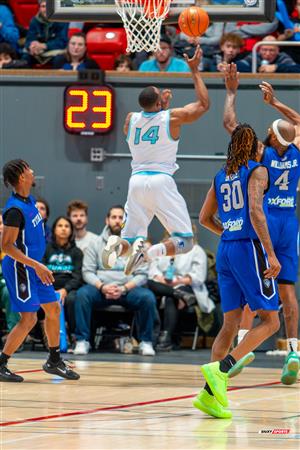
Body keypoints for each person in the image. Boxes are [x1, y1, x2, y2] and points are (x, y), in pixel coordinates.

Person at [194, 109, 281, 419]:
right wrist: (270, 254)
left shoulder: (220, 175)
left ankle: (209, 397)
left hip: (226, 249)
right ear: (252, 147)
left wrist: (228, 231)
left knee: (231, 324)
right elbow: (256, 212)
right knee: (271, 321)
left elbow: (204, 219)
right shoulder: (257, 171)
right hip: (249, 249)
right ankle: (223, 369)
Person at [223, 64, 300, 385]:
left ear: (270, 135)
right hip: (290, 222)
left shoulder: (261, 151)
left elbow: (231, 125)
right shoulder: (296, 149)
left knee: (253, 289)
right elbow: (296, 123)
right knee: (287, 289)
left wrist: (232, 92)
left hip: (265, 221)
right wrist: (277, 103)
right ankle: (294, 350)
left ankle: (244, 343)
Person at [102, 45, 210, 275]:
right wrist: (195, 71)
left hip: (136, 182)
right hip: (161, 180)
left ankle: (115, 244)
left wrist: (162, 107)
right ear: (159, 103)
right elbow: (203, 106)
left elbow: (151, 122)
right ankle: (148, 254)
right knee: (185, 241)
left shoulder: (130, 119)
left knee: (128, 240)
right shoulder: (171, 118)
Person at [0, 159, 79, 382]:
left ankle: (54, 360)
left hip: (35, 268)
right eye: (29, 169)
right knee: (29, 318)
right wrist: (36, 264)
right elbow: (6, 246)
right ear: (22, 177)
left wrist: (38, 264)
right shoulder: (14, 210)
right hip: (20, 269)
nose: (33, 171)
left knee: (53, 309)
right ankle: (1, 363)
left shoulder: (30, 200)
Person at [74, 205, 157, 356]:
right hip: (101, 289)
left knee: (147, 298)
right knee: (82, 295)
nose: (117, 221)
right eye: (114, 217)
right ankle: (82, 341)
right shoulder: (95, 243)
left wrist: (124, 288)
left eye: (121, 218)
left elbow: (142, 274)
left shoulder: (137, 244)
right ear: (107, 220)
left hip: (128, 290)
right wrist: (102, 286)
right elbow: (87, 271)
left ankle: (146, 342)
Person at [148, 232, 213, 351]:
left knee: (170, 298)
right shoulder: (161, 248)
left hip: (187, 286)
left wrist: (178, 282)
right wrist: (161, 278)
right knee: (148, 284)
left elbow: (198, 277)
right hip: (162, 284)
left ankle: (165, 338)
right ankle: (179, 296)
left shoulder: (196, 250)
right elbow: (152, 270)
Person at [43, 216, 83, 339]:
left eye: (67, 226)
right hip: (48, 287)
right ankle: (44, 335)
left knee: (72, 300)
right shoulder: (46, 249)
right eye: (60, 226)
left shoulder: (77, 252)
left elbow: (77, 277)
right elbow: (41, 271)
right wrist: (50, 290)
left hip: (69, 289)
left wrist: (65, 290)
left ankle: (73, 335)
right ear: (54, 229)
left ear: (71, 230)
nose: (63, 229)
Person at [23, 0, 68, 66]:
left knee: (59, 59)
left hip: (55, 51)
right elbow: (29, 40)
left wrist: (44, 46)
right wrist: (32, 46)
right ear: (39, 8)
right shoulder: (34, 20)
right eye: (43, 6)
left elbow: (62, 42)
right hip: (38, 51)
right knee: (25, 58)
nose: (46, 9)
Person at [0, 213, 20, 338]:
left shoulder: (16, 243)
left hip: (10, 283)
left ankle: (14, 336)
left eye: (1, 223)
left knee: (10, 291)